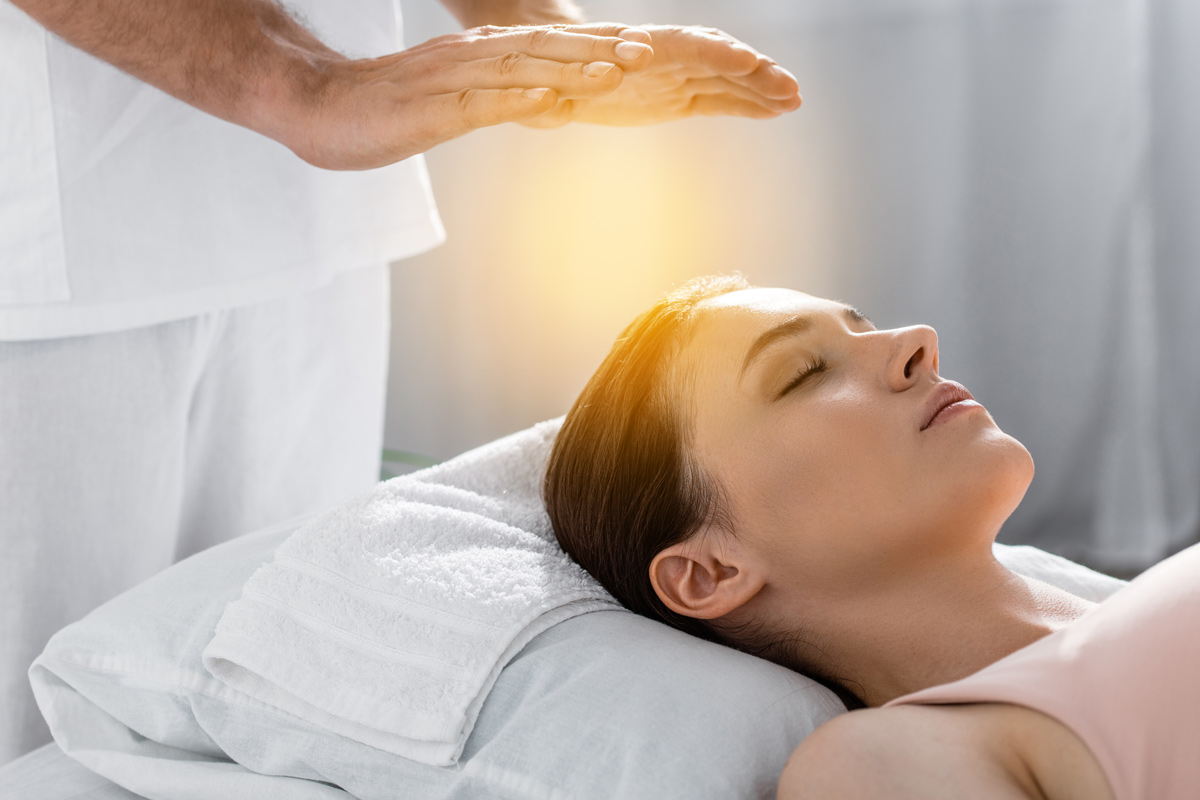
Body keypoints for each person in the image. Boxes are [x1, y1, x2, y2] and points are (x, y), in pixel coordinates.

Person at [0, 0, 802, 765]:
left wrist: (526, 25)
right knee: (34, 727)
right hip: (62, 237)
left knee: (275, 697)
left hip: (311, 219)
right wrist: (297, 81)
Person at [544, 275, 1199, 798]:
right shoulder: (880, 764)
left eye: (866, 326)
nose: (918, 340)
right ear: (710, 572)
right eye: (805, 372)